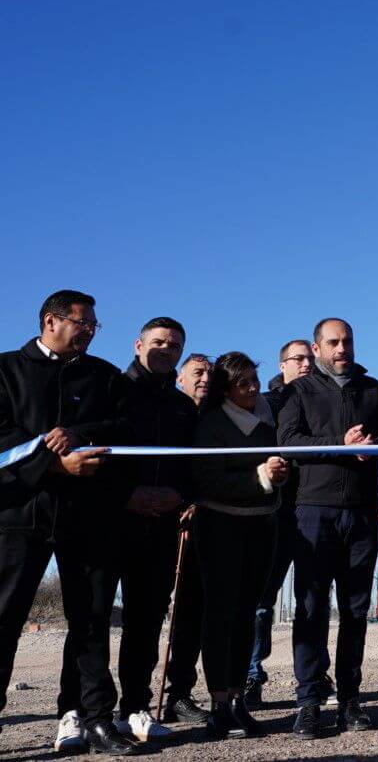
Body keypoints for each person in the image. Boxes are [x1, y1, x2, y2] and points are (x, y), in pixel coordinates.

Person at [0, 290, 135, 756]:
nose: (90, 331)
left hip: (87, 517)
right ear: (51, 321)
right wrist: (55, 465)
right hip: (19, 516)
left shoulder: (104, 376)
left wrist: (79, 434)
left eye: (94, 325)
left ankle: (96, 719)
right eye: (83, 323)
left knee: (91, 621)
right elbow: (2, 436)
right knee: (3, 619)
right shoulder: (6, 371)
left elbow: (124, 427)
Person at [278, 319, 378, 739]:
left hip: (361, 513)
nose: (342, 348)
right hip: (314, 511)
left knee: (356, 611)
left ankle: (350, 700)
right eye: (333, 342)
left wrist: (373, 448)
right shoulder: (299, 391)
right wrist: (339, 444)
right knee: (310, 609)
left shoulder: (372, 389)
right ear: (317, 348)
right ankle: (308, 702)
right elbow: (288, 441)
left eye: (347, 341)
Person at [189, 352, 289, 740]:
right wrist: (260, 475)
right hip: (220, 527)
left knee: (247, 613)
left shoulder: (267, 421)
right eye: (242, 382)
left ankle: (237, 700)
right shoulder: (212, 424)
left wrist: (278, 477)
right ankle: (218, 704)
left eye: (254, 379)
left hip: (262, 525)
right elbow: (206, 478)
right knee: (220, 614)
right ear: (225, 388)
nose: (252, 387)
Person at [110, 318, 197, 743]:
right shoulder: (113, 390)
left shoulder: (183, 407)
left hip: (161, 524)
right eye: (158, 342)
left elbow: (192, 464)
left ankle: (134, 707)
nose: (166, 350)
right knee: (91, 621)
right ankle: (82, 710)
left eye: (174, 345)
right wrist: (126, 495)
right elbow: (99, 451)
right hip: (112, 520)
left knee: (145, 622)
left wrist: (178, 496)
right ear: (138, 344)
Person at [245, 339, 312, 708]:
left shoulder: (322, 400)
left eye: (310, 358)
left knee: (313, 600)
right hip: (274, 514)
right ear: (282, 364)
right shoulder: (265, 405)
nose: (306, 364)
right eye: (298, 359)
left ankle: (313, 676)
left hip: (314, 508)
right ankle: (251, 674)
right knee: (261, 600)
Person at [162, 353, 213, 727]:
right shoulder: (170, 411)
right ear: (181, 377)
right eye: (197, 372)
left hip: (205, 524)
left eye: (209, 373)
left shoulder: (214, 417)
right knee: (153, 613)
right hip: (162, 519)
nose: (204, 379)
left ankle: (179, 694)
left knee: (192, 614)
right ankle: (135, 701)